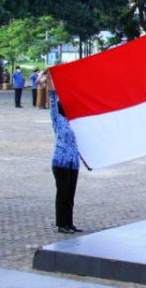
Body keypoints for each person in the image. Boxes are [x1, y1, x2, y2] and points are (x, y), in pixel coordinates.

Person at [48, 77, 83, 234]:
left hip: (73, 163)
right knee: (62, 194)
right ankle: (61, 224)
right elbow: (52, 97)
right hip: (60, 162)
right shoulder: (58, 120)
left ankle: (69, 223)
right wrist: (50, 76)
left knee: (70, 195)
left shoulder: (74, 122)